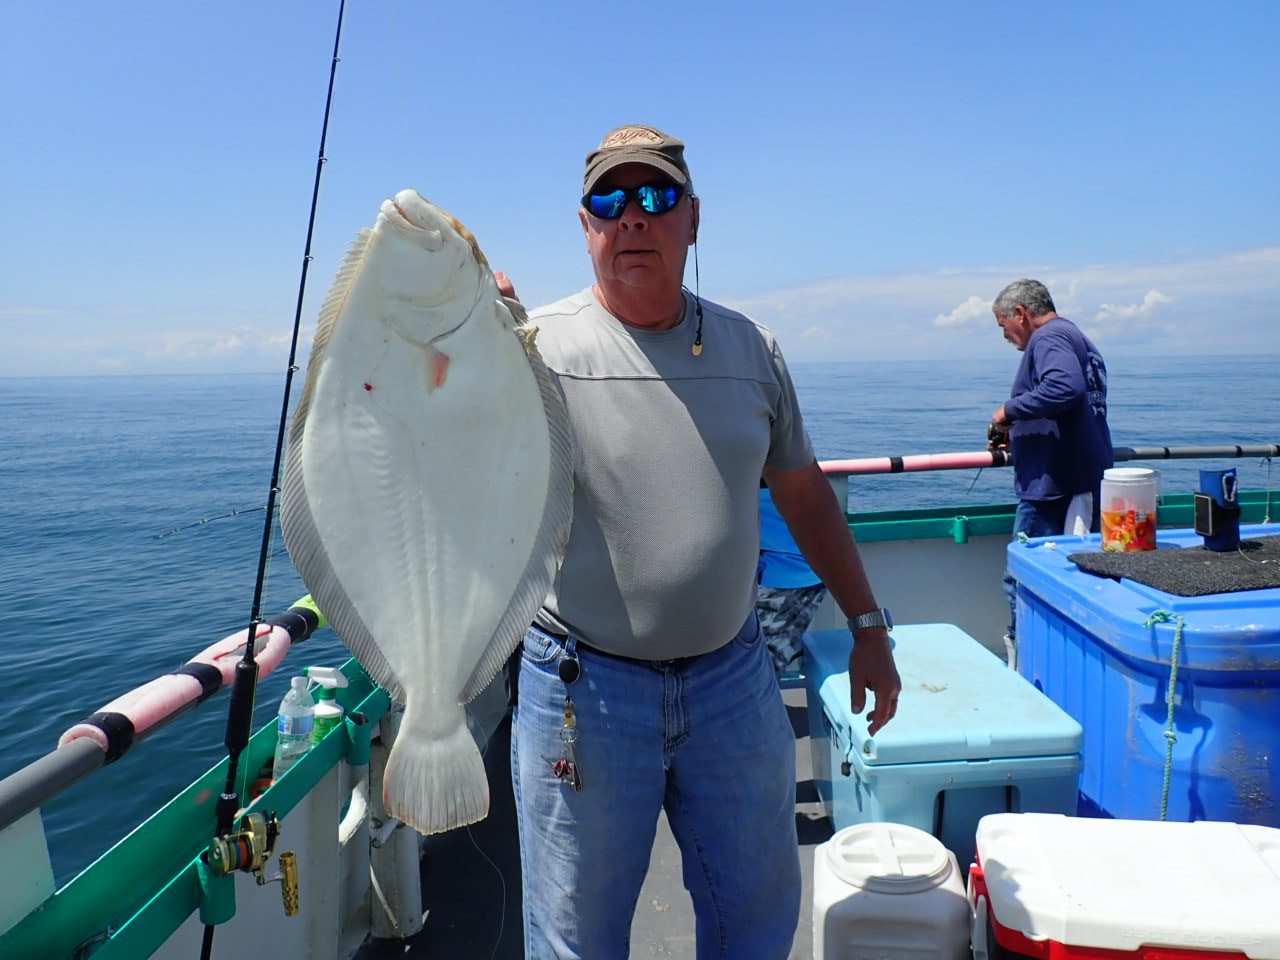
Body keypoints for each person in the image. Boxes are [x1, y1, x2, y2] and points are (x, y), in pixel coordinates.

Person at [500, 124, 900, 960]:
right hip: (585, 692)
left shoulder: (753, 350)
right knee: (574, 938)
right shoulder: (530, 351)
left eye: (655, 197)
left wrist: (868, 625)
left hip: (734, 678)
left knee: (756, 920)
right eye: (610, 200)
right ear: (585, 225)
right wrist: (467, 344)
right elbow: (456, 466)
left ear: (692, 218)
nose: (633, 217)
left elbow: (803, 491)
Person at [989, 279, 1111, 647]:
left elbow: (1063, 387)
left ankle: (1027, 655)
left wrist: (1007, 411)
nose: (1006, 335)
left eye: (1003, 325)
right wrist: (1021, 424)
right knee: (1076, 575)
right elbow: (1072, 404)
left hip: (1053, 486)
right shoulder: (1077, 338)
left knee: (1027, 577)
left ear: (1021, 314)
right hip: (1082, 477)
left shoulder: (1049, 338)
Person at [757, 480, 829, 678]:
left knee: (758, 671)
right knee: (765, 666)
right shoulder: (789, 457)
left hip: (782, 573)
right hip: (809, 565)